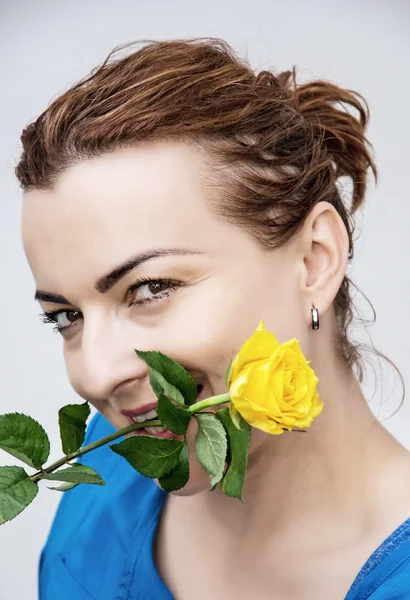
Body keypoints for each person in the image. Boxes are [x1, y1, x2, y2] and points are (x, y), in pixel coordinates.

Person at [16, 37, 410, 600]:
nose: (97, 376)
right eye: (66, 317)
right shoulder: (111, 469)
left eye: (150, 288)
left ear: (314, 260)